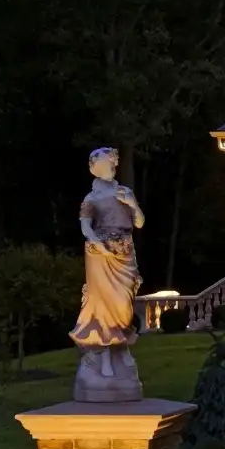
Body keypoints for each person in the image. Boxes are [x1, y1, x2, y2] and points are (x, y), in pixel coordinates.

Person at [70, 147, 145, 401]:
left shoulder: (124, 192)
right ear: (95, 168)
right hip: (100, 253)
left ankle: (120, 345)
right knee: (101, 304)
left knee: (123, 304)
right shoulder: (91, 197)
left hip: (124, 251)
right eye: (105, 163)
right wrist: (98, 244)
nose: (111, 165)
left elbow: (139, 222)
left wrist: (132, 204)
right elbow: (84, 226)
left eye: (112, 162)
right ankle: (103, 356)